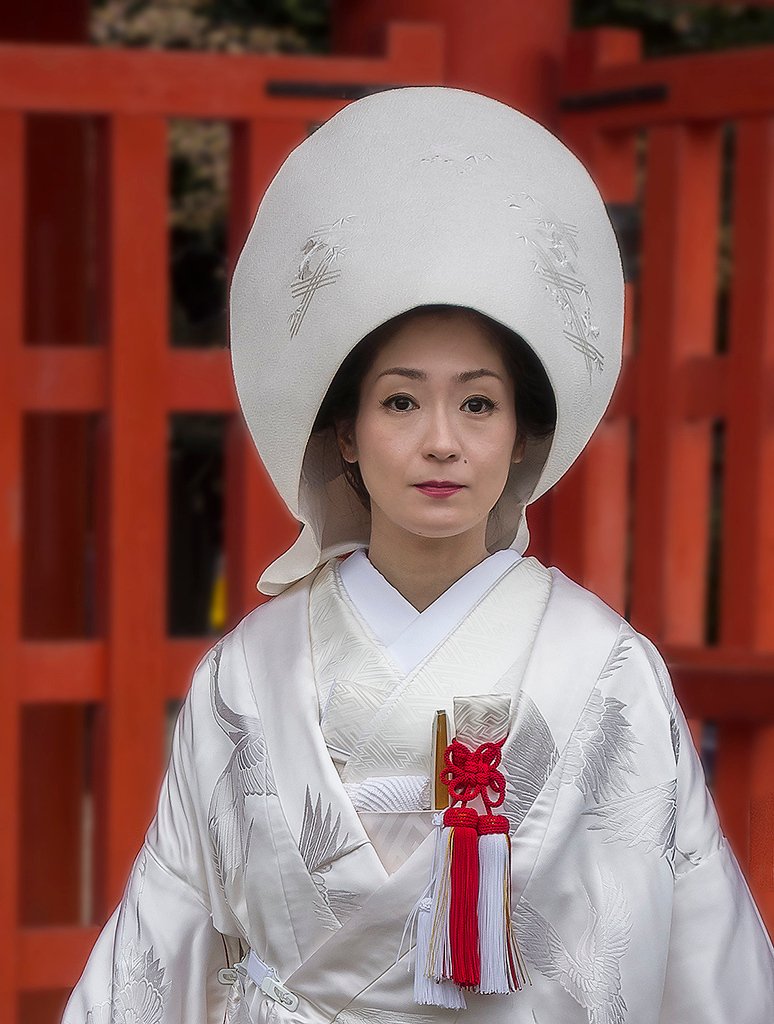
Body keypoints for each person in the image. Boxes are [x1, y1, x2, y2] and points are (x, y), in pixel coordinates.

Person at [64, 87, 774, 1024]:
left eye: (478, 404)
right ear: (347, 434)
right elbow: (163, 937)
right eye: (400, 402)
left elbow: (695, 956)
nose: (441, 442)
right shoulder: (249, 675)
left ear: (523, 433)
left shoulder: (604, 673)